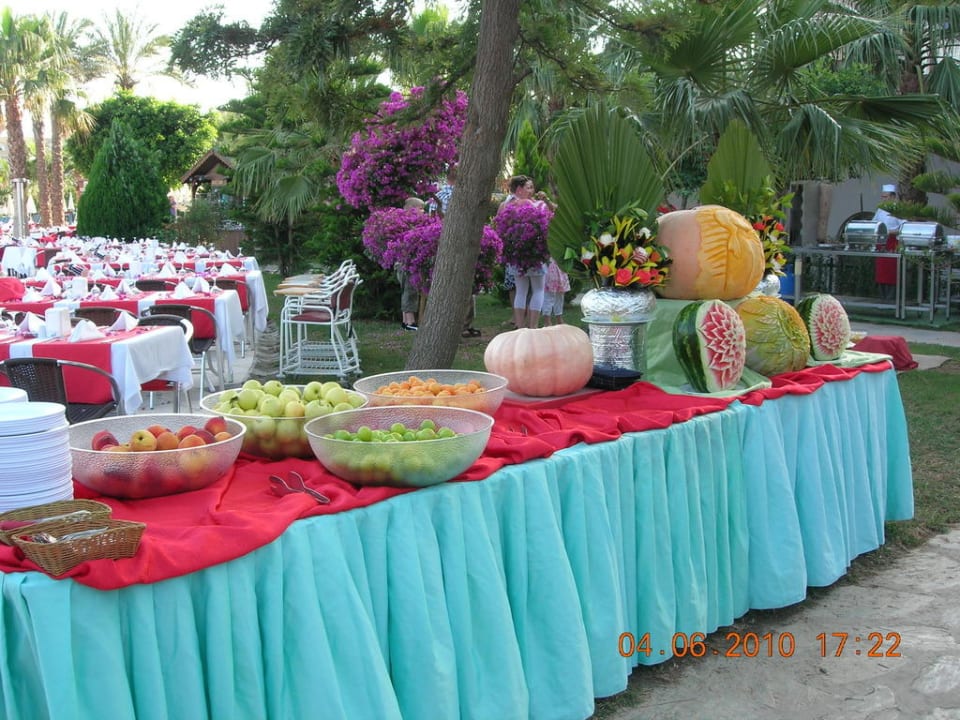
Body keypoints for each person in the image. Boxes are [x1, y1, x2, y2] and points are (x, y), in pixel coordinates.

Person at [498, 175, 550, 329]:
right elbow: (547, 227)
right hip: (536, 255)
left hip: (516, 256)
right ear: (519, 189)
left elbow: (501, 228)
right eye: (528, 187)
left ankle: (521, 328)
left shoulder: (507, 207)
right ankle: (533, 327)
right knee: (538, 290)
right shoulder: (540, 205)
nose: (532, 190)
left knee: (521, 291)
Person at [873, 184, 903, 300]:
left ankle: (891, 299)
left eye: (885, 197)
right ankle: (882, 298)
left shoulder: (898, 209)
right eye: (882, 197)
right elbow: (874, 223)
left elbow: (903, 227)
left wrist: (890, 231)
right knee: (881, 273)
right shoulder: (880, 210)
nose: (883, 199)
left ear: (892, 197)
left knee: (891, 273)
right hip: (881, 243)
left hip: (892, 243)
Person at [398, 197, 424, 330]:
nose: (423, 211)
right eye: (421, 208)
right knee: (409, 291)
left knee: (406, 290)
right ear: (412, 209)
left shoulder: (406, 222)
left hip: (404, 263)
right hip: (406, 263)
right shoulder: (408, 224)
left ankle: (405, 321)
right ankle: (410, 322)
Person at [541, 258, 570, 326]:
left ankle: (559, 318)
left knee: (560, 294)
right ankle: (547, 320)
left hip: (559, 267)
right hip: (549, 267)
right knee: (548, 295)